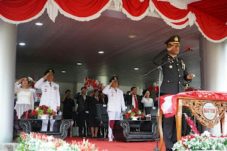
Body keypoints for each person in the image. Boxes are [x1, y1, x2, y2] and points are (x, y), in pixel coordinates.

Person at [153, 35, 195, 151]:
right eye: (175, 45)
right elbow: (155, 61)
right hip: (167, 94)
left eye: (178, 46)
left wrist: (188, 77)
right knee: (168, 121)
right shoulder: (164, 59)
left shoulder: (180, 61)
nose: (177, 48)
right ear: (169, 46)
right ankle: (169, 146)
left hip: (179, 94)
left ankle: (176, 143)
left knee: (179, 120)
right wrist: (166, 50)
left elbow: (184, 77)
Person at [102, 76, 126, 142]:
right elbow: (104, 91)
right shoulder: (109, 90)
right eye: (114, 82)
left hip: (118, 110)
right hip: (111, 109)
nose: (115, 83)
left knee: (117, 124)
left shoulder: (120, 91)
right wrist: (110, 83)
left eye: (116, 82)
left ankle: (116, 136)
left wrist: (123, 109)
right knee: (111, 123)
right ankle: (110, 136)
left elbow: (122, 101)